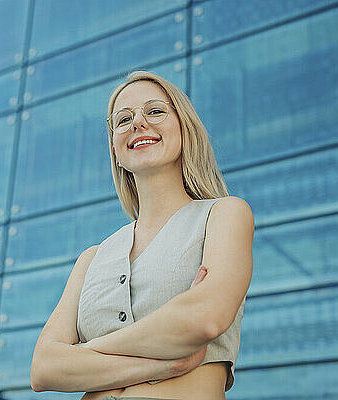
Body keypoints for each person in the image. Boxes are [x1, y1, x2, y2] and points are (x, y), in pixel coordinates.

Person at [30, 70, 254, 400]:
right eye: (123, 120)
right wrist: (162, 363)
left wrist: (82, 355)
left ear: (184, 128)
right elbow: (43, 368)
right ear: (116, 151)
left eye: (155, 111)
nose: (138, 123)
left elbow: (205, 319)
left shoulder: (224, 215)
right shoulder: (91, 260)